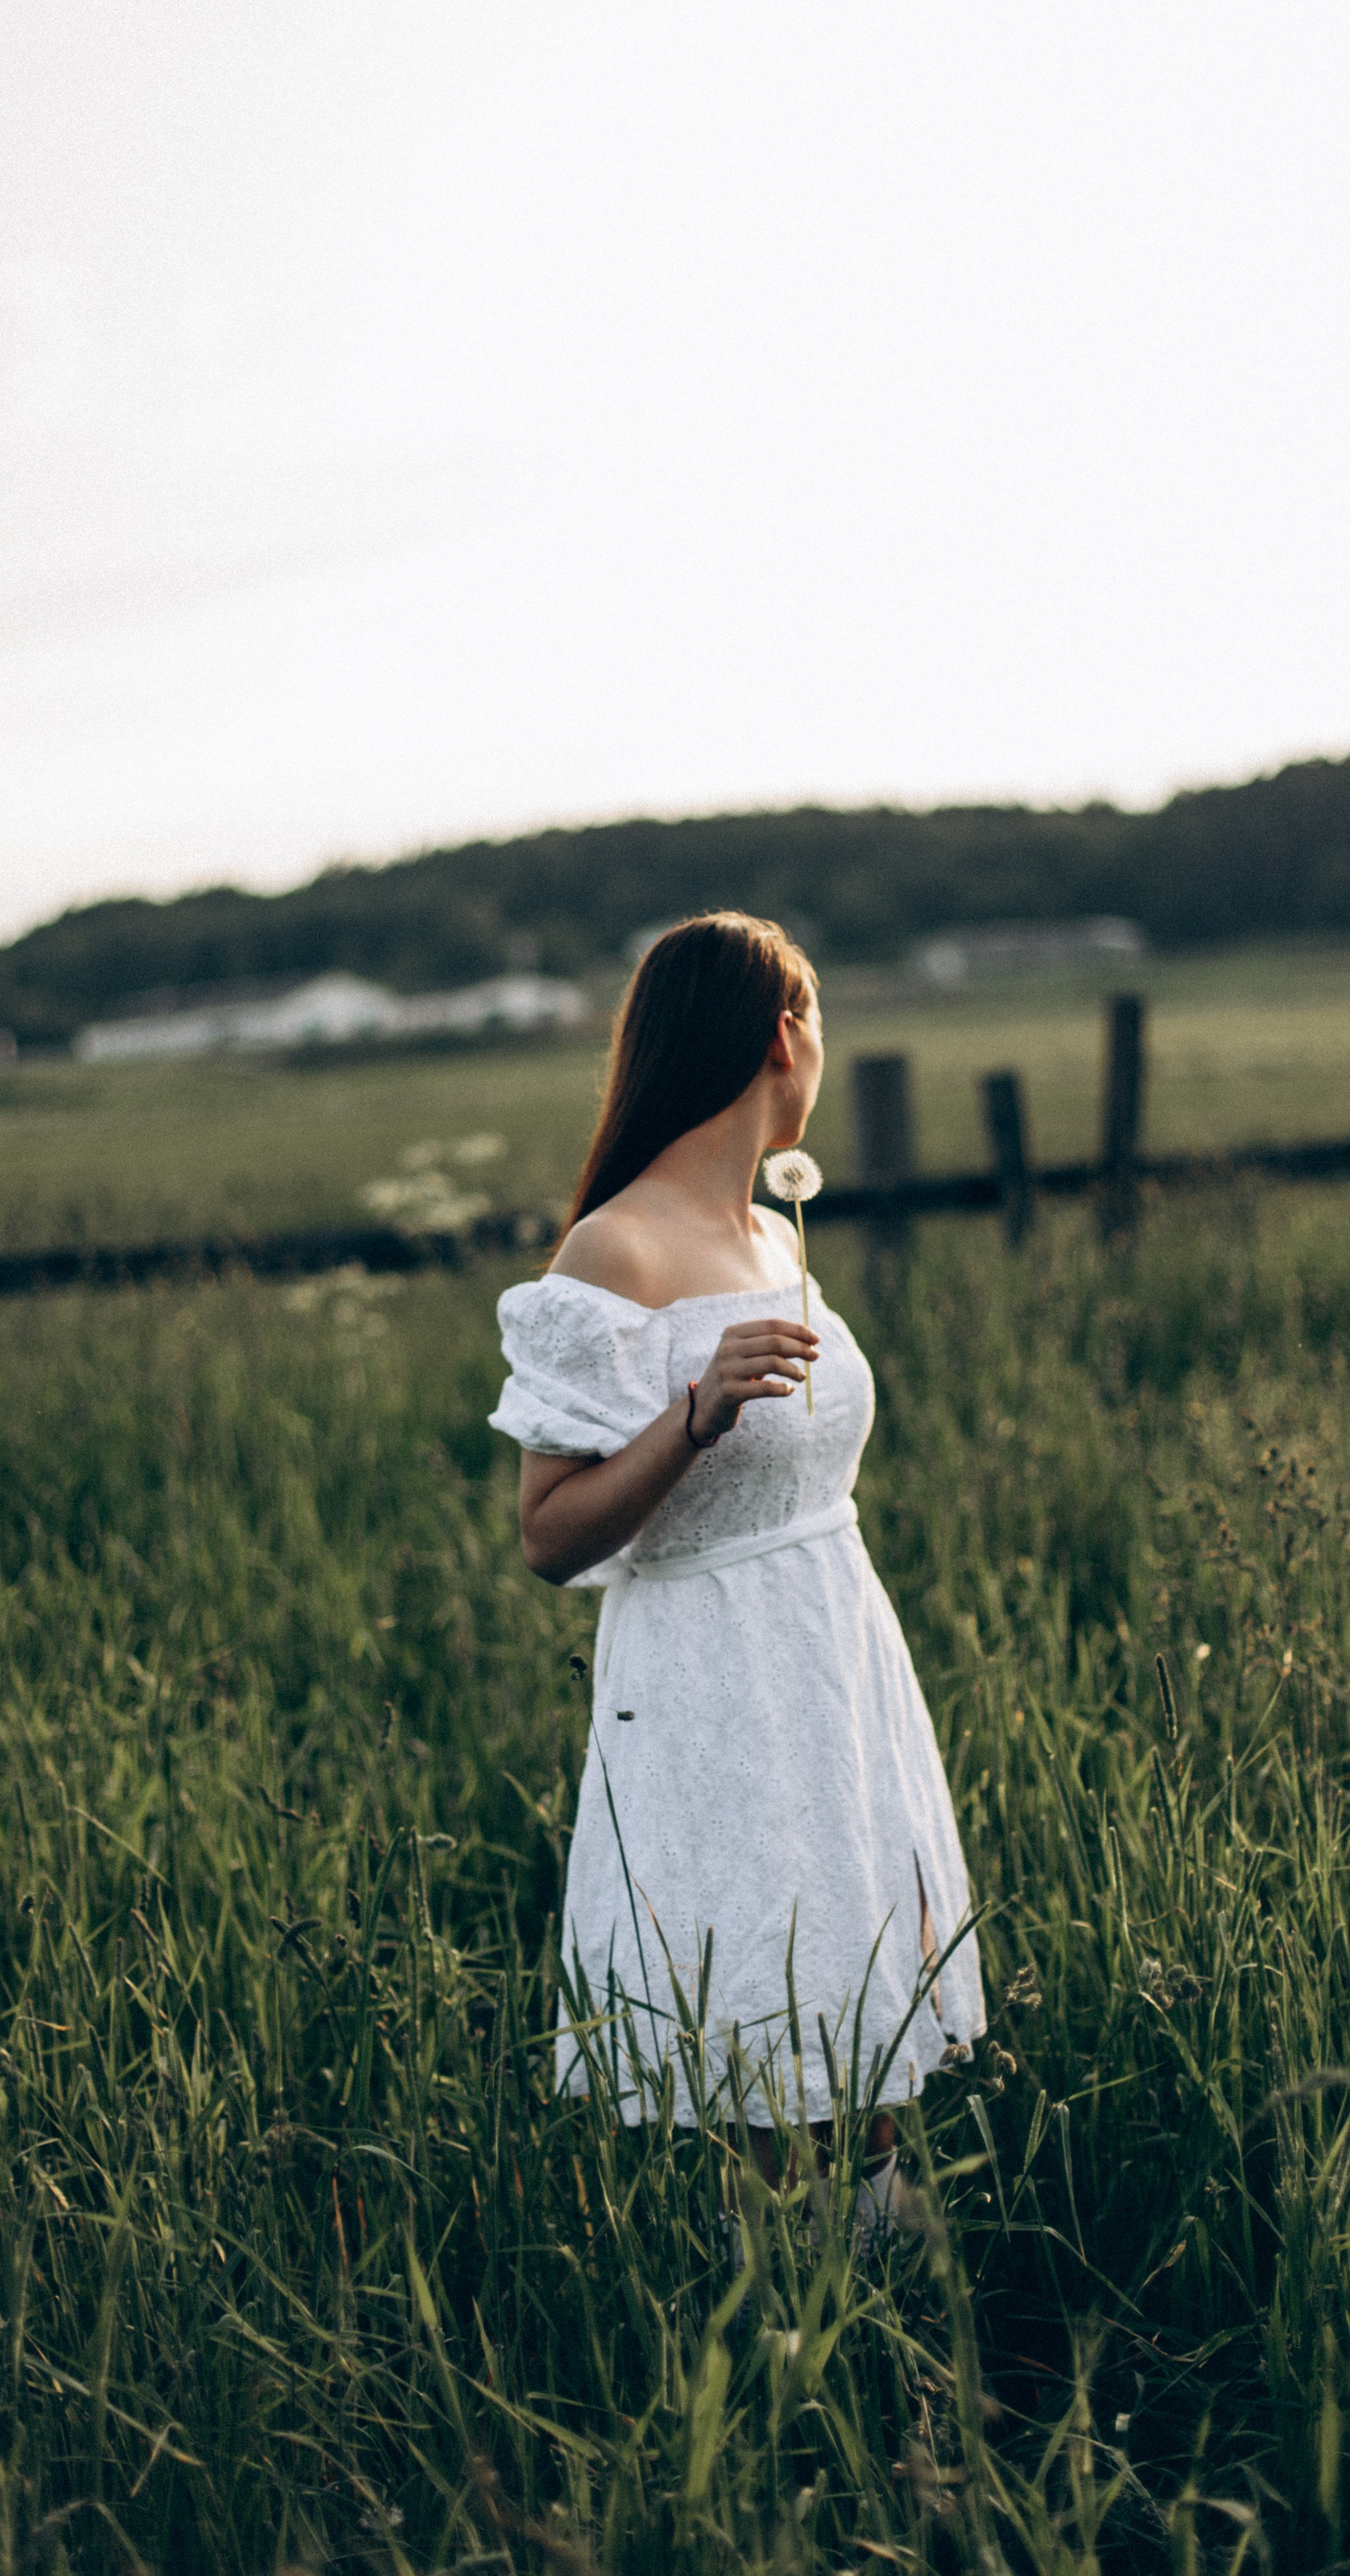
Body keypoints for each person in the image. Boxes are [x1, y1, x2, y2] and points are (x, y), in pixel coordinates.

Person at [488, 911, 982, 2207]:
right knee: (762, 2033)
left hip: (834, 1654)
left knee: (861, 2008)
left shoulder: (777, 1234)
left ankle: (886, 2333)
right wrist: (695, 1414)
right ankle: (776, 2343)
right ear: (783, 1033)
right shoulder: (617, 1249)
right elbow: (548, 1535)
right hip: (713, 1679)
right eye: (818, 1017)